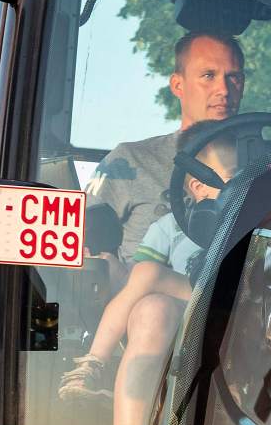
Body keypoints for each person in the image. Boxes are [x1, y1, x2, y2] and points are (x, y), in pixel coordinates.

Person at [60, 122, 237, 425]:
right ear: (198, 186)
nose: (245, 185)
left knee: (148, 275)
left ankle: (95, 361)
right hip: (187, 307)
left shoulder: (261, 222)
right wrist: (114, 271)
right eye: (235, 176)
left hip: (234, 303)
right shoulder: (169, 227)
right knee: (151, 306)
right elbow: (136, 281)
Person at [85, 31, 246, 266]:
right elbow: (81, 247)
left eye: (234, 77)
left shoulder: (269, 164)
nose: (223, 89)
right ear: (178, 85)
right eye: (208, 75)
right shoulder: (129, 161)